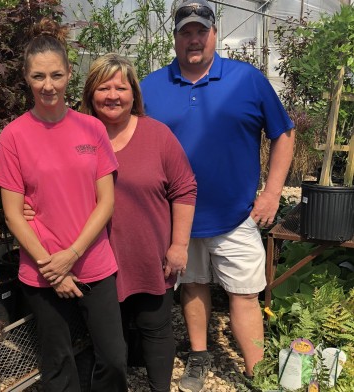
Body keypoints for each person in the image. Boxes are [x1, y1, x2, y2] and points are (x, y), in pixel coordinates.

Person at [140, 1, 296, 391]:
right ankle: (198, 356)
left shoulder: (247, 79)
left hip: (235, 215)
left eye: (200, 31)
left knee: (244, 293)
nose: (193, 39)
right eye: (185, 32)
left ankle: (255, 371)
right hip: (177, 219)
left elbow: (284, 133)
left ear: (214, 34)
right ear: (175, 37)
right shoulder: (150, 86)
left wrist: (272, 194)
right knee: (192, 285)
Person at [26, 53, 197, 392]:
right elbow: (45, 181)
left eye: (121, 87)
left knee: (155, 327)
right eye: (104, 87)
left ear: (134, 93)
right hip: (90, 259)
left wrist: (179, 245)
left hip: (146, 254)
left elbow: (185, 188)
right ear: (90, 93)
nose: (113, 95)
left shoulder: (157, 135)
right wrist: (29, 208)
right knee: (104, 341)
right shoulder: (73, 133)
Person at [0, 19, 128, 392]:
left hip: (94, 262)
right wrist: (55, 269)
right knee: (58, 361)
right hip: (42, 270)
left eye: (56, 75)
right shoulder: (14, 136)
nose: (48, 85)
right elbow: (14, 214)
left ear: (68, 75)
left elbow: (106, 200)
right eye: (38, 76)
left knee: (114, 357)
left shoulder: (91, 129)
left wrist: (74, 253)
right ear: (26, 78)